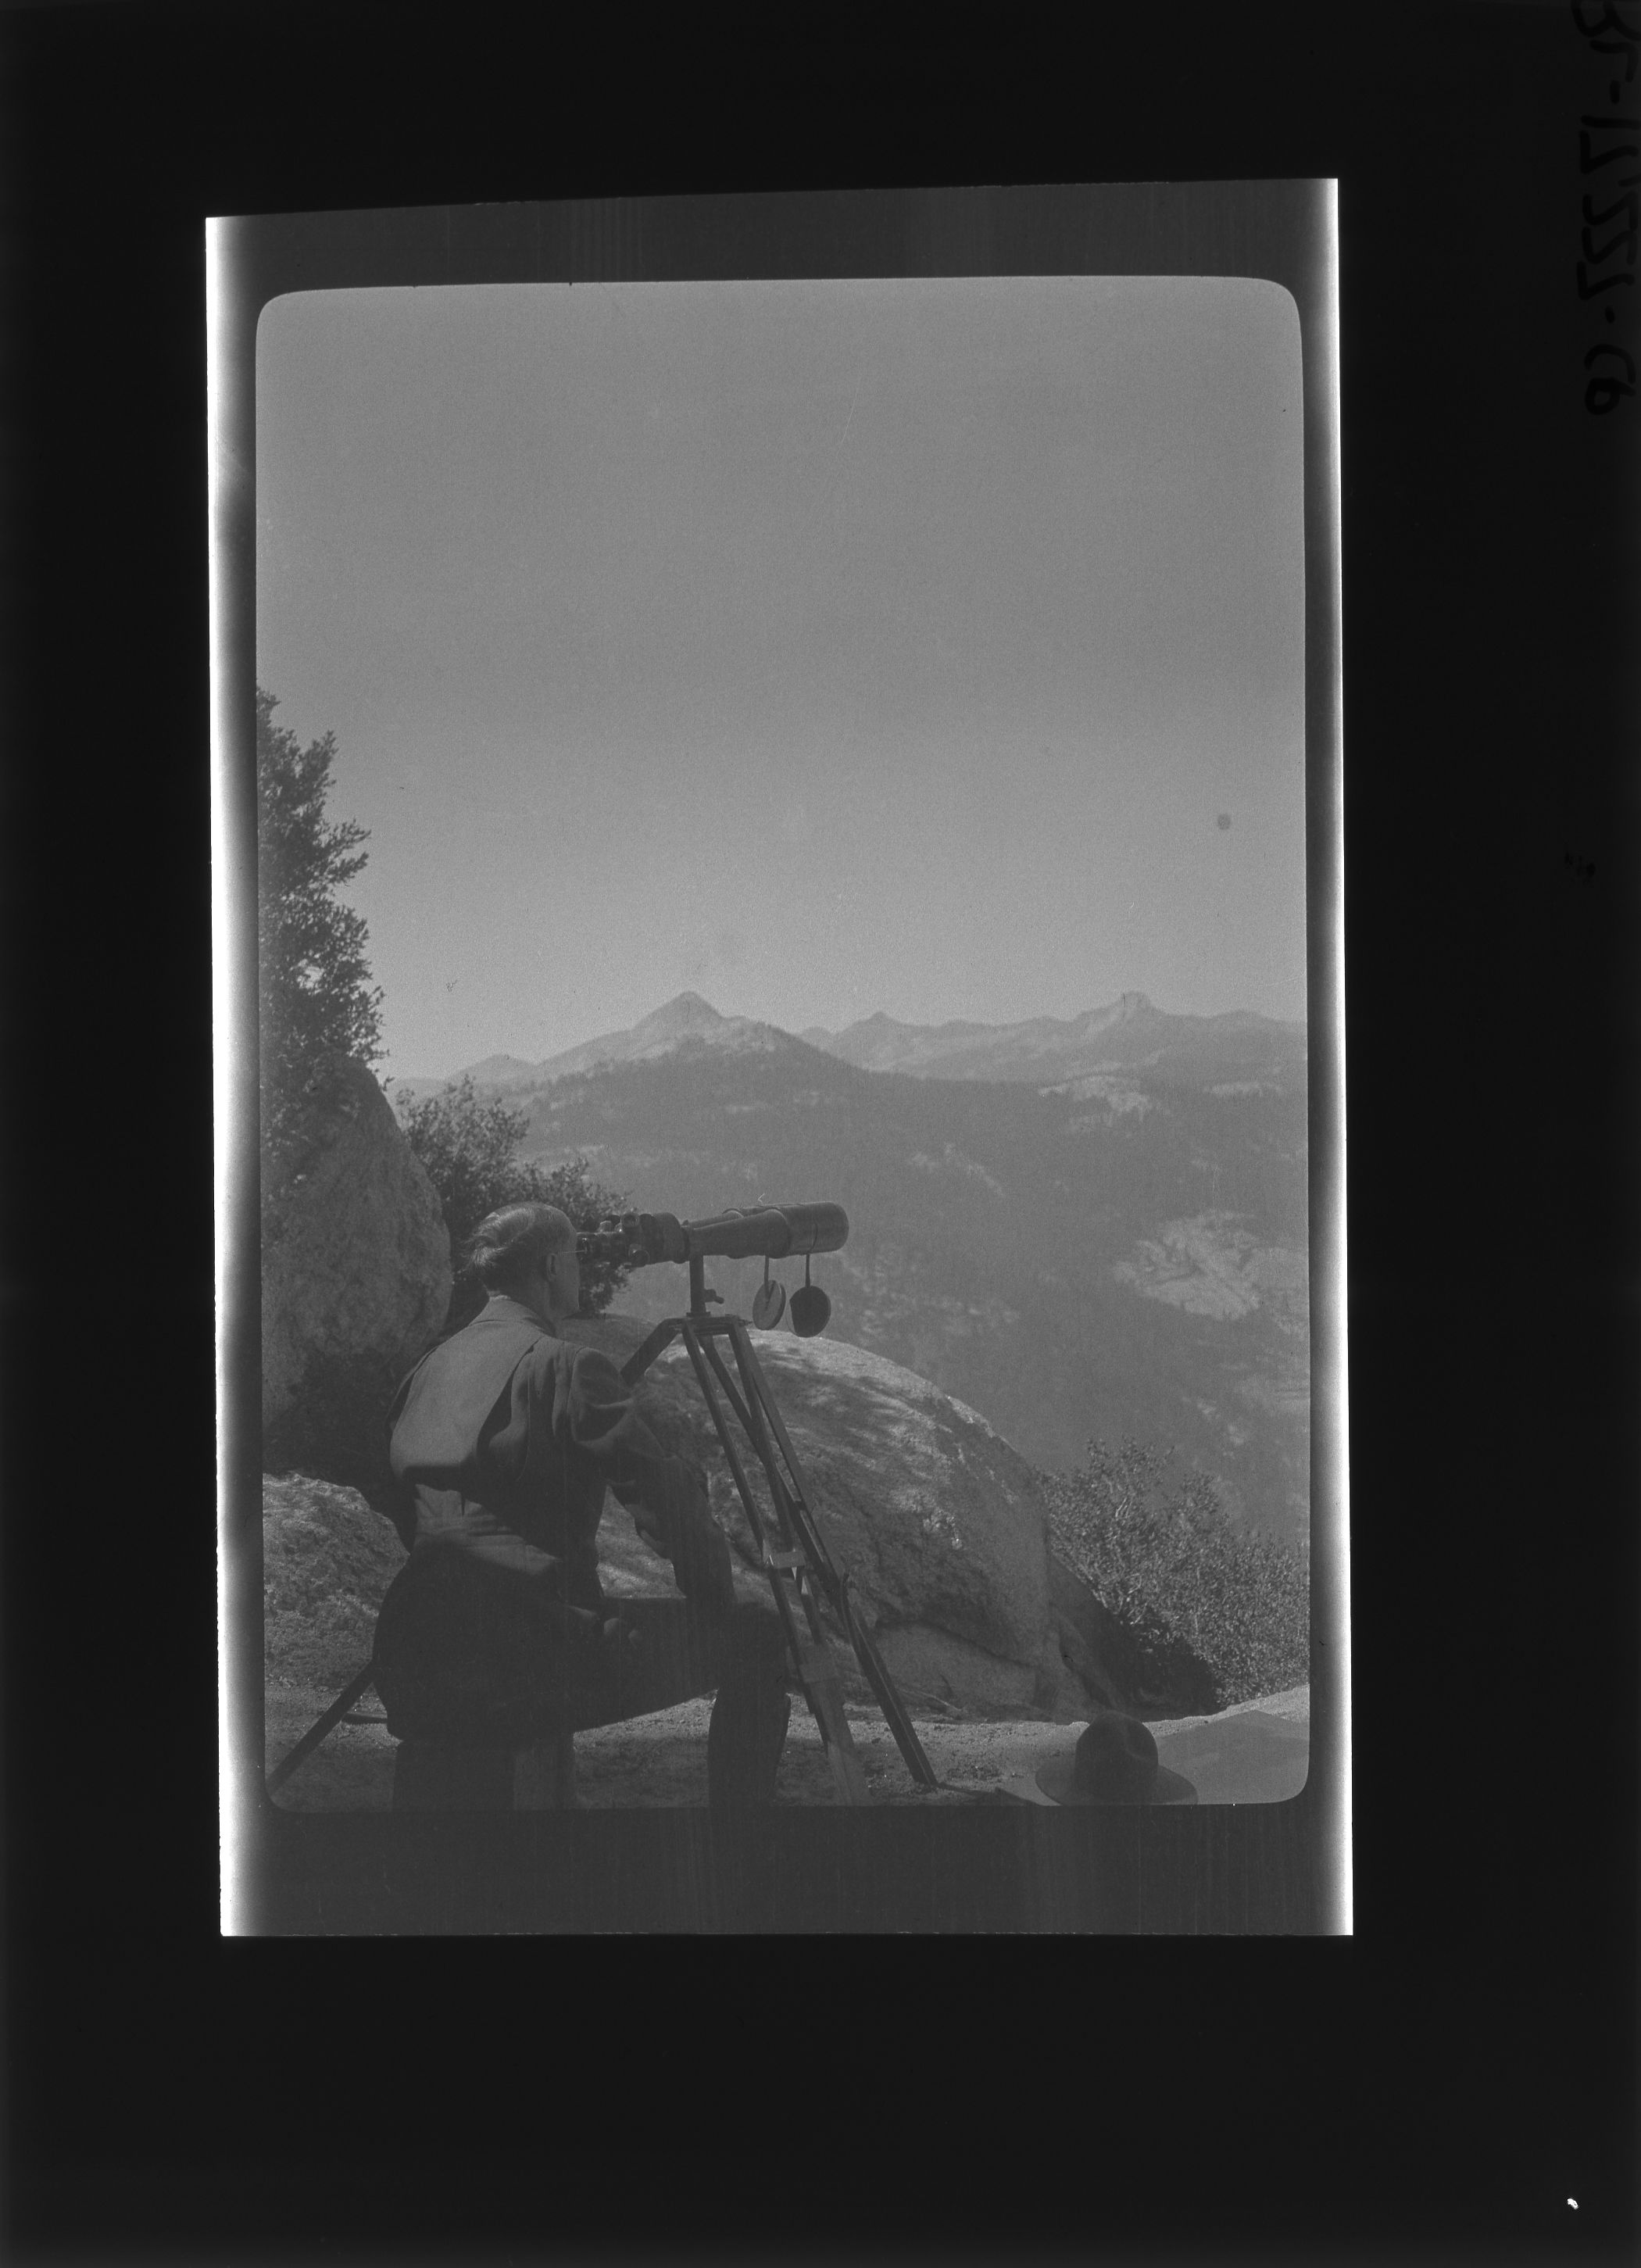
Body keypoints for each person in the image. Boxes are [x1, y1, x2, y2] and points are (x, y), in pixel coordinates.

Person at [371, 1201, 792, 1807]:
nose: (581, 1272)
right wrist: (717, 1606)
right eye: (574, 1258)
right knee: (757, 1635)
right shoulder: (569, 1369)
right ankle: (740, 1846)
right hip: (528, 1653)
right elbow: (667, 1509)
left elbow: (399, 1505)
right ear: (549, 1267)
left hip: (413, 1650)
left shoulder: (429, 1368)